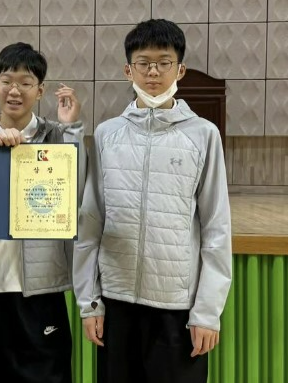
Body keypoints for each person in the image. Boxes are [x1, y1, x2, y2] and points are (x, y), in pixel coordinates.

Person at [73, 19, 232, 383]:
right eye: (144, 63)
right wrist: (90, 302)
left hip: (176, 308)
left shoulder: (203, 136)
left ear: (181, 68)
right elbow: (91, 221)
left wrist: (207, 313)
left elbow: (217, 229)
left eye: (164, 62)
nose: (154, 72)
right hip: (116, 304)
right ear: (129, 69)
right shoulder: (107, 134)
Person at [0, 42, 86, 383]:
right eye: (7, 80)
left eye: (26, 82)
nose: (15, 90)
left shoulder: (57, 139)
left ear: (40, 91)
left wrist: (71, 129)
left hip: (40, 293)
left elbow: (79, 198)